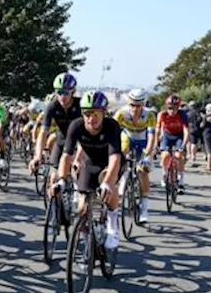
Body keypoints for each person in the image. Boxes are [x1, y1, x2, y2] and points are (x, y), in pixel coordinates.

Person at [50, 91, 123, 251]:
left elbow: (115, 159)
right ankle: (88, 248)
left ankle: (113, 225)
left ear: (103, 113)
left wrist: (107, 184)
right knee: (83, 208)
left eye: (96, 113)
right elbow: (66, 155)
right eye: (87, 113)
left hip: (110, 163)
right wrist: (62, 179)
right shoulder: (76, 126)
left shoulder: (111, 126)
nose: (92, 118)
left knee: (109, 186)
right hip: (91, 163)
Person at [113, 88, 157, 223]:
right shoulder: (121, 113)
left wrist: (147, 155)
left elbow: (151, 137)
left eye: (138, 105)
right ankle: (123, 181)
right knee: (122, 152)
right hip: (128, 138)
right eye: (132, 105)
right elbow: (113, 132)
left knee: (142, 171)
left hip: (143, 141)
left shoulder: (149, 115)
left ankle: (144, 207)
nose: (135, 108)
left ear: (143, 104)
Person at [30, 73, 81, 175]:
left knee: (78, 173)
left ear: (73, 91)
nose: (62, 96)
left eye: (66, 92)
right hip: (61, 140)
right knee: (53, 177)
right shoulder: (52, 107)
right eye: (59, 92)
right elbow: (43, 132)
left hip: (80, 142)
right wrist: (38, 155)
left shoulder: (80, 106)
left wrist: (79, 158)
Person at [156, 94, 189, 194]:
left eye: (175, 108)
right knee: (165, 155)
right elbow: (158, 130)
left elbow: (186, 131)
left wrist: (183, 146)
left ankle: (181, 179)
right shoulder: (162, 114)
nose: (172, 111)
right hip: (167, 135)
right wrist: (156, 144)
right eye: (170, 108)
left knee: (178, 156)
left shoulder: (182, 115)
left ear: (178, 108)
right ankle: (165, 173)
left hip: (178, 136)